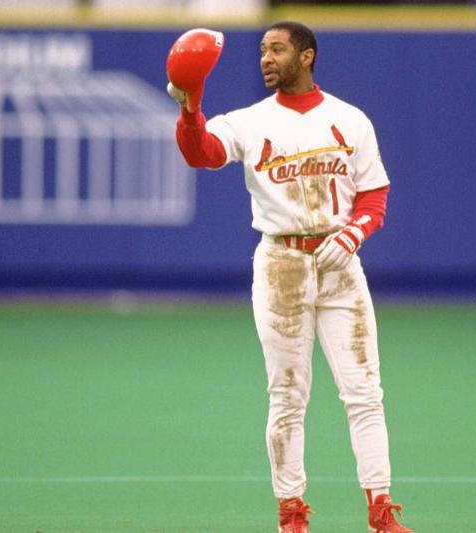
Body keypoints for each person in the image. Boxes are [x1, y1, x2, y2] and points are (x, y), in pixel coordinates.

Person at [167, 21, 414, 533]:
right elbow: (202, 154)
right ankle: (291, 515)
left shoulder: (349, 119)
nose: (265, 58)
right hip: (281, 264)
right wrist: (189, 109)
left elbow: (374, 193)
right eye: (262, 50)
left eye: (277, 49)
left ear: (307, 56)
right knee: (287, 395)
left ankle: (381, 511)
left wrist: (354, 234)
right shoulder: (250, 121)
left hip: (341, 265)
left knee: (364, 391)